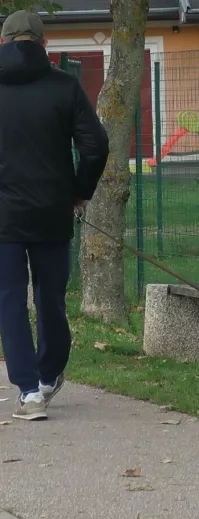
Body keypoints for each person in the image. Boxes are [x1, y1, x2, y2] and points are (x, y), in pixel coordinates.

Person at [0, 10, 109, 421]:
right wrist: (78, 192)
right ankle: (49, 375)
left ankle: (28, 392)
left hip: (4, 216)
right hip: (52, 210)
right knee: (51, 296)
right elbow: (96, 145)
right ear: (44, 45)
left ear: (4, 43)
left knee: (9, 298)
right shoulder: (65, 86)